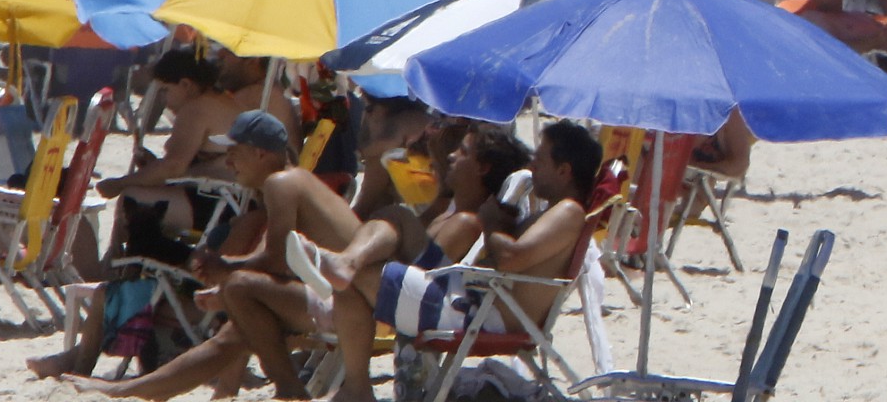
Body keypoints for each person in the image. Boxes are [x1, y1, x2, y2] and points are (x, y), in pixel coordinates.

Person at [293, 122, 601, 402]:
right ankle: (355, 387)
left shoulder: (569, 211)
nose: (533, 165)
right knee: (352, 277)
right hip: (476, 304)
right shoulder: (556, 212)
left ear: (564, 171)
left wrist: (493, 224)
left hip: (477, 315)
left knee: (356, 276)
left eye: (541, 159)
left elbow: (511, 258)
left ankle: (356, 386)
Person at [68, 111, 364, 400]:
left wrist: (223, 268)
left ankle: (288, 391)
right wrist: (225, 277)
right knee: (228, 335)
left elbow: (277, 261)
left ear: (261, 154)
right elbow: (272, 257)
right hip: (346, 299)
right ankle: (126, 391)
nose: (229, 161)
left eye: (234, 151)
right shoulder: (290, 182)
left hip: (350, 305)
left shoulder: (281, 184)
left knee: (239, 290)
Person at [100, 48, 246, 240]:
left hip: (218, 205)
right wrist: (153, 168)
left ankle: (122, 264)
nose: (164, 99)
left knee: (131, 197)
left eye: (165, 90)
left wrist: (118, 184)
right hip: (236, 201)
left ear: (186, 84)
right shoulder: (223, 101)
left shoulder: (196, 109)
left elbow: (173, 166)